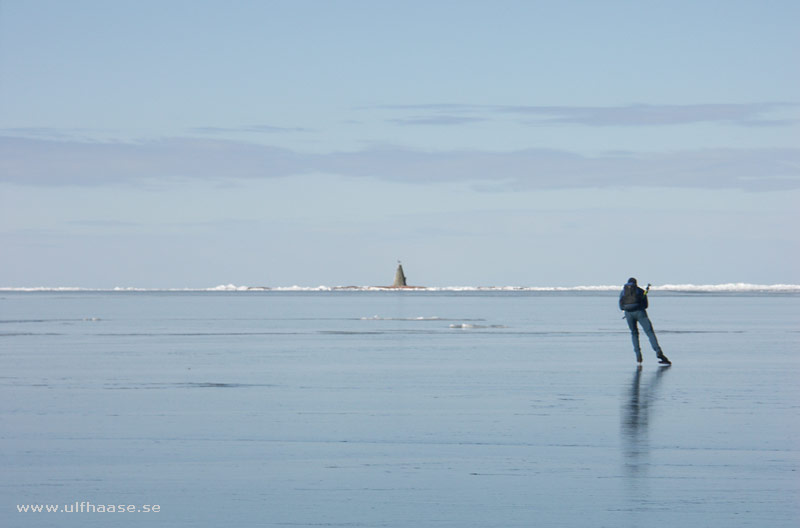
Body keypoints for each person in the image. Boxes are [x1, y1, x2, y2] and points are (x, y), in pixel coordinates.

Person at [619, 278, 671, 364]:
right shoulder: (640, 291)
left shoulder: (623, 292)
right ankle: (658, 352)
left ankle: (638, 356)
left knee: (634, 333)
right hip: (640, 313)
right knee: (649, 332)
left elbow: (621, 306)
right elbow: (646, 305)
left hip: (628, 314)